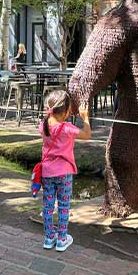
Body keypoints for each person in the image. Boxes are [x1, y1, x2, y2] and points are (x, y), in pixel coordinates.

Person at [39, 90, 91, 252]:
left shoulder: (43, 125)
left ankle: (49, 238)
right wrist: (85, 118)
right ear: (67, 111)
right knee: (63, 206)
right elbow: (87, 135)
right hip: (64, 174)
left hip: (47, 172)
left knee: (47, 206)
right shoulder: (67, 128)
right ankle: (62, 239)